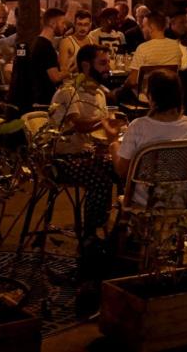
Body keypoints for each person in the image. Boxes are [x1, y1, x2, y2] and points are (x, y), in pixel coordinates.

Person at [48, 45, 120, 234]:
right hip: (62, 158)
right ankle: (89, 233)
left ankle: (119, 229)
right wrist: (104, 121)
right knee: (100, 181)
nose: (108, 67)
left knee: (123, 171)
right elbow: (78, 124)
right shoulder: (69, 92)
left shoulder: (98, 93)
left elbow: (100, 130)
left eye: (108, 62)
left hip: (86, 153)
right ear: (86, 66)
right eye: (102, 63)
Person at [112, 70, 187, 203]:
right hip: (181, 198)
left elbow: (122, 171)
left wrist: (113, 143)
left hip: (146, 201)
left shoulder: (138, 126)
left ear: (150, 96)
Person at [12, 8, 66, 111]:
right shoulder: (46, 47)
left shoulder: (37, 43)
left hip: (34, 98)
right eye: (62, 22)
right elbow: (55, 77)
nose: (65, 26)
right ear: (53, 23)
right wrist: (68, 72)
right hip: (44, 100)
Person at [126, 12, 187, 89]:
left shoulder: (143, 48)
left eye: (143, 27)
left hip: (147, 96)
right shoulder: (176, 46)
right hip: (170, 94)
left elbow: (133, 80)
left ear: (151, 28)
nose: (142, 30)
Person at [59, 9, 97, 76]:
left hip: (90, 81)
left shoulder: (93, 41)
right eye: (79, 24)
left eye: (86, 24)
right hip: (72, 81)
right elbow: (63, 70)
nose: (82, 28)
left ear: (90, 25)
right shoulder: (66, 42)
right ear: (74, 24)